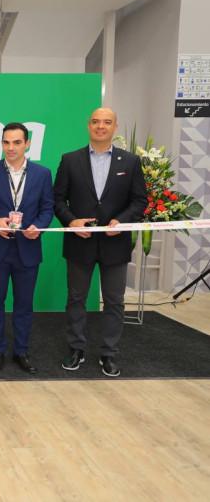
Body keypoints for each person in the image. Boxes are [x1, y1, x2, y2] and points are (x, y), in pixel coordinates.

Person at [54, 107, 147, 377]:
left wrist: (122, 221)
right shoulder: (70, 160)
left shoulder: (130, 162)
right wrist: (71, 222)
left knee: (114, 300)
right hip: (79, 242)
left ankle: (109, 353)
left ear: (115, 127)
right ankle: (76, 348)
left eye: (107, 122)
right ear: (89, 125)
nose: (100, 126)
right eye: (95, 122)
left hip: (115, 244)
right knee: (76, 298)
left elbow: (139, 201)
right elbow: (57, 199)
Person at [0, 122, 54, 375]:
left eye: (17, 142)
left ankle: (21, 351)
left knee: (24, 304)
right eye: (6, 142)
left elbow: (47, 209)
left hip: (28, 249)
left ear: (27, 144)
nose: (11, 147)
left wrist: (39, 226)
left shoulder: (42, 174)